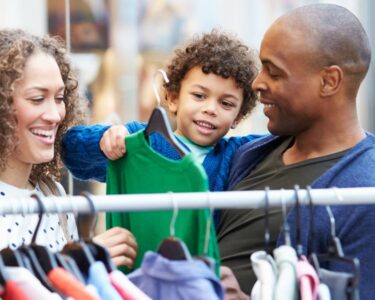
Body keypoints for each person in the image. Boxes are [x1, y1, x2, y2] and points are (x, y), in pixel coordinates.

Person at [217, 4, 375, 300]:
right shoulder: (247, 155)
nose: (257, 83)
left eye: (274, 73)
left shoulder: (366, 191)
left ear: (329, 81)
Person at [61, 30, 262, 196]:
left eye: (226, 103)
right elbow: (71, 149)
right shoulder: (143, 141)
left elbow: (285, 140)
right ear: (173, 98)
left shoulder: (237, 155)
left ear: (239, 116)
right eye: (199, 96)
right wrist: (105, 139)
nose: (210, 109)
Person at [0, 29, 137, 269]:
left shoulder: (53, 194)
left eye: (60, 98)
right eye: (37, 99)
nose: (55, 115)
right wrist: (80, 259)